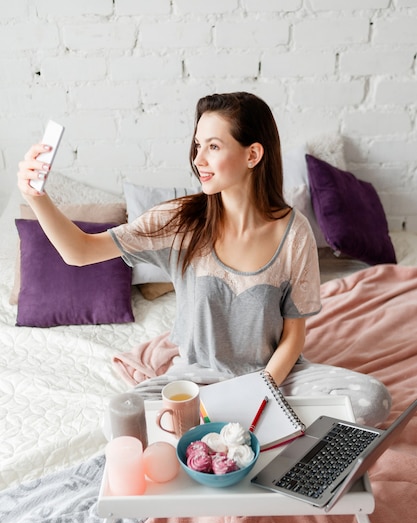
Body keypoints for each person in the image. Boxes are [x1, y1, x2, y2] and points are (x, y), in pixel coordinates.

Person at [18, 91, 391, 425]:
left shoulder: (294, 233)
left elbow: (294, 335)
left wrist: (259, 393)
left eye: (213, 146)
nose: (199, 160)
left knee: (371, 401)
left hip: (276, 376)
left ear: (253, 154)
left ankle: (254, 430)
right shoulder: (180, 221)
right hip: (198, 379)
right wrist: (37, 197)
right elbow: (79, 251)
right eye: (197, 146)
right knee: (121, 420)